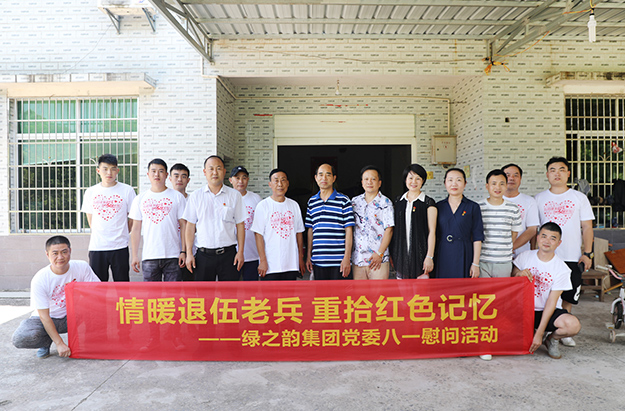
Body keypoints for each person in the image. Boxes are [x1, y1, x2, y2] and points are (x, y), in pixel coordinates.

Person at [535, 156, 594, 347]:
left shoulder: (579, 198)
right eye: (552, 170)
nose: (557, 173)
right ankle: (544, 327)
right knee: (544, 294)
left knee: (568, 296)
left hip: (571, 256)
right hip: (545, 258)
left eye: (561, 169)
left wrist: (587, 253)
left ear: (568, 173)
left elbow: (587, 227)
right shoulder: (539, 199)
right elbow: (534, 230)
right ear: (547, 174)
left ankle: (563, 331)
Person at [12, 236, 100, 358]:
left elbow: (97, 292)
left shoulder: (82, 267)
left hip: (73, 316)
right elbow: (44, 316)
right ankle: (46, 341)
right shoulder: (40, 279)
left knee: (99, 311)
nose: (60, 257)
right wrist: (59, 343)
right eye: (55, 253)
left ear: (70, 251)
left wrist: (79, 292)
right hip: (48, 317)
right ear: (47, 254)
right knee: (20, 338)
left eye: (64, 252)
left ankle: (85, 342)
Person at [512, 222, 582, 359]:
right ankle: (528, 332)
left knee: (573, 325)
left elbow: (551, 302)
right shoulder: (524, 256)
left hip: (547, 312)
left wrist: (540, 334)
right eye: (544, 236)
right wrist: (519, 274)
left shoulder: (562, 269)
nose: (547, 241)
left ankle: (551, 339)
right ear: (538, 238)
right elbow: (512, 280)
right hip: (523, 310)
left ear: (559, 243)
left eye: (552, 238)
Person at [183, 155, 245, 281]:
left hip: (229, 255)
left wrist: (240, 252)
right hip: (204, 256)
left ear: (224, 171)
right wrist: (189, 253)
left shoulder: (234, 196)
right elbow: (190, 226)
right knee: (203, 292)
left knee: (229, 292)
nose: (215, 172)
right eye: (211, 169)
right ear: (204, 172)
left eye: (218, 168)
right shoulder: (196, 196)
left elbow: (240, 225)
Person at [81, 154, 136, 282]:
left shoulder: (127, 190)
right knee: (98, 285)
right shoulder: (91, 192)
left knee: (122, 284)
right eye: (105, 169)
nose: (109, 173)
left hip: (120, 246)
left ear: (117, 170)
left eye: (112, 169)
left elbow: (133, 218)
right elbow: (90, 219)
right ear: (98, 170)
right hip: (97, 247)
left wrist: (123, 232)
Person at [129, 158, 187, 282]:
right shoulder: (140, 199)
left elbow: (184, 226)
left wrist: (183, 251)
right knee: (151, 293)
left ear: (166, 175)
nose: (157, 174)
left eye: (161, 171)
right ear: (148, 174)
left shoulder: (177, 197)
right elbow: (136, 229)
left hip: (173, 255)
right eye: (153, 171)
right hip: (150, 256)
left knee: (173, 292)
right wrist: (134, 255)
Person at [252, 169, 305, 281]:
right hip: (270, 266)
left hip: (291, 264)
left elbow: (299, 233)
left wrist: (300, 258)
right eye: (276, 181)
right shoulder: (263, 206)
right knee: (270, 293)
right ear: (270, 184)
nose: (280, 184)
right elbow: (258, 235)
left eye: (283, 180)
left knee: (290, 292)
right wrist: (263, 260)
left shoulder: (294, 205)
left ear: (288, 183)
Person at [305, 163, 355, 280]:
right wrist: (308, 256)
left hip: (339, 262)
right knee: (320, 292)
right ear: (316, 178)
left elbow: (349, 231)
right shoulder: (312, 202)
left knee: (341, 292)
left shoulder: (344, 200)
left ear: (334, 178)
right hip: (318, 261)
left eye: (328, 175)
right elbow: (310, 230)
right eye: (320, 174)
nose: (324, 178)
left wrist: (347, 258)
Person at [389, 164, 437, 279]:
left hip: (421, 257)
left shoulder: (428, 202)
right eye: (410, 178)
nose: (413, 182)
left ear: (423, 181)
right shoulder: (398, 202)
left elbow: (432, 232)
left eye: (418, 178)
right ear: (405, 180)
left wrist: (429, 257)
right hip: (401, 257)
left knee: (421, 290)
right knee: (403, 290)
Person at [435, 168, 484, 279]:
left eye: (458, 180)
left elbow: (477, 237)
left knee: (463, 287)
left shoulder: (473, 207)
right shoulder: (438, 206)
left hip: (464, 252)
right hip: (443, 253)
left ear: (465, 183)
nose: (454, 184)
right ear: (445, 183)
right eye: (450, 180)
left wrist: (475, 263)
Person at [351, 165, 394, 280]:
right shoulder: (354, 202)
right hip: (358, 259)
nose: (369, 182)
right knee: (359, 292)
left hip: (378, 259)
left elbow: (389, 230)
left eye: (373, 179)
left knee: (378, 291)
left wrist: (380, 253)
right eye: (366, 179)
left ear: (379, 183)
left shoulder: (385, 203)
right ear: (362, 182)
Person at [478, 169, 522, 278]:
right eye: (494, 183)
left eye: (502, 184)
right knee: (483, 289)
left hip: (504, 261)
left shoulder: (513, 208)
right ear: (487, 186)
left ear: (506, 186)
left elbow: (514, 233)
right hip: (483, 261)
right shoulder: (478, 207)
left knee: (502, 289)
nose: (497, 187)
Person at [229, 165, 262, 281]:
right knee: (231, 288)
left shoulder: (256, 199)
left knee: (251, 288)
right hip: (231, 254)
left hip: (252, 254)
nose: (240, 181)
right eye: (237, 178)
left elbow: (261, 227)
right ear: (230, 180)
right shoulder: (226, 199)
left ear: (248, 179)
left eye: (244, 178)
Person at [502, 163, 540, 257]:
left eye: (516, 175)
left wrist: (511, 247)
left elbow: (532, 229)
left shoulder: (529, 201)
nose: (511, 178)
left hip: (522, 255)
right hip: (496, 255)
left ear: (520, 179)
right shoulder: (493, 201)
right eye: (508, 175)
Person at [169, 163, 194, 281]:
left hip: (191, 253)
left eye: (183, 176)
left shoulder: (193, 200)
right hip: (171, 253)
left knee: (190, 286)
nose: (179, 179)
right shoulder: (166, 201)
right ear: (170, 178)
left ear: (188, 180)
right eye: (176, 176)